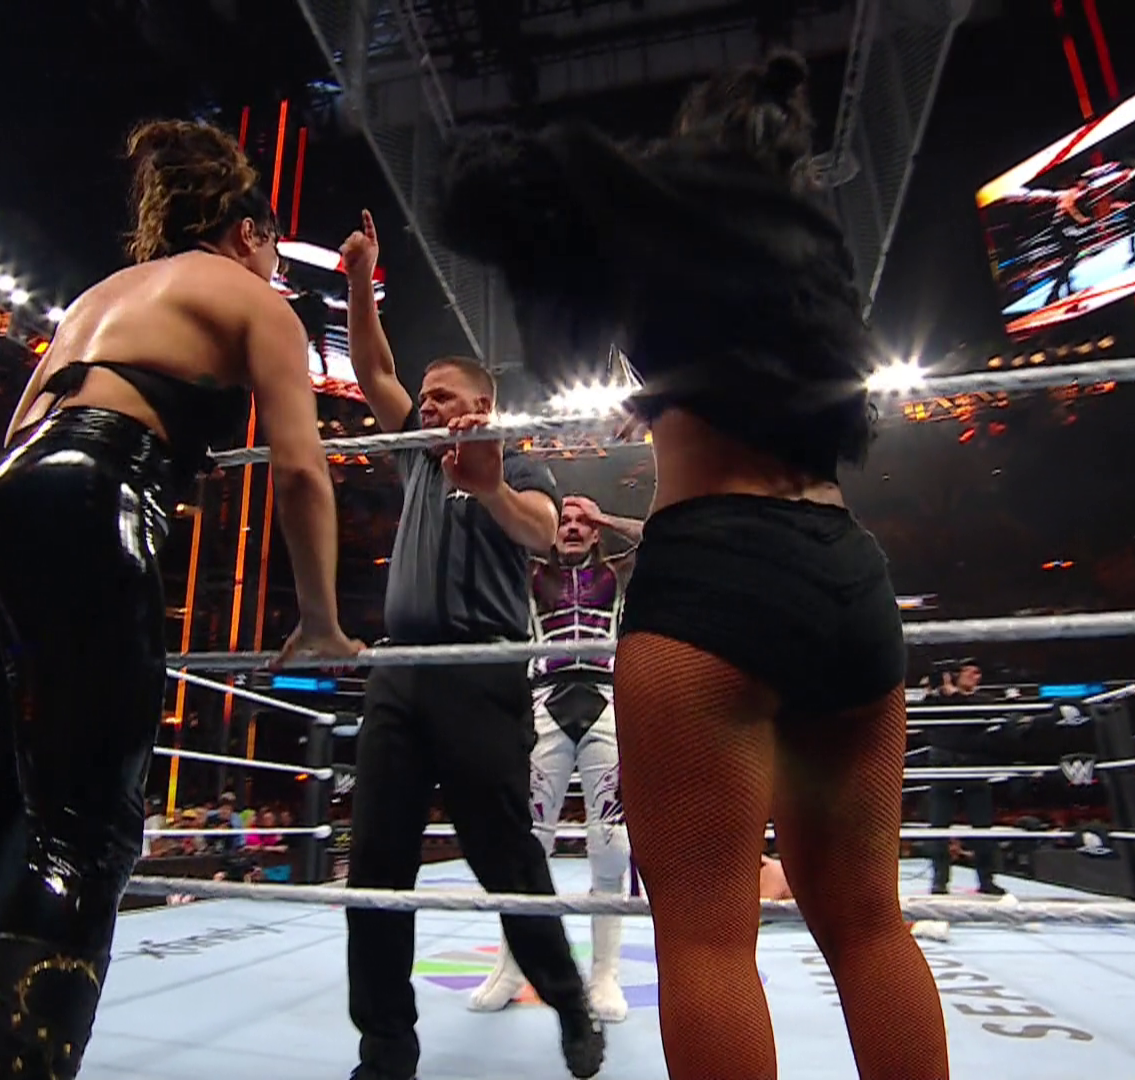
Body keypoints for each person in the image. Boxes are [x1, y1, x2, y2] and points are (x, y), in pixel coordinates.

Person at [437, 49, 946, 1079]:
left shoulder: (667, 222)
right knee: (868, 922)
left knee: (707, 937)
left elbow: (471, 194)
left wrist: (606, 185)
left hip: (713, 575)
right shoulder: (806, 257)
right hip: (845, 572)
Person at [0, 119, 361, 1080]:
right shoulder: (254, 299)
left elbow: (22, 431)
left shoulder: (100, 296)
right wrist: (320, 617)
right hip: (90, 501)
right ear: (252, 234)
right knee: (83, 835)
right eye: (273, 251)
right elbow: (301, 469)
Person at [339, 212, 605, 1080]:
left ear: (482, 407)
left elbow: (541, 532)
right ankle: (386, 1046)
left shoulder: (519, 467)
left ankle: (567, 999)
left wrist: (488, 486)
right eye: (426, 397)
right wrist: (361, 280)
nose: (427, 406)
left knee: (505, 855)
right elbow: (372, 371)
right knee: (376, 862)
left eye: (443, 396)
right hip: (399, 672)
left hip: (481, 675)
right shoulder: (417, 456)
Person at [470, 494, 642, 1022]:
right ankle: (512, 966)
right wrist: (537, 522)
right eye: (563, 521)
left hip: (604, 701)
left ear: (595, 532)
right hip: (546, 701)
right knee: (529, 843)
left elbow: (663, 536)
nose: (571, 528)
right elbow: (488, 536)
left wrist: (605, 515)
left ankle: (605, 974)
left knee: (610, 841)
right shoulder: (529, 574)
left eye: (580, 522)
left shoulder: (616, 573)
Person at [923, 659, 1005, 896]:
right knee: (939, 825)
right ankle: (939, 881)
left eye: (977, 673)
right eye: (969, 672)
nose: (974, 676)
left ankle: (986, 880)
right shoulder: (938, 700)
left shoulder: (982, 699)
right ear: (955, 675)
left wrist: (954, 695)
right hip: (942, 766)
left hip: (973, 766)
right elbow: (925, 719)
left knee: (982, 824)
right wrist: (934, 692)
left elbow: (984, 712)